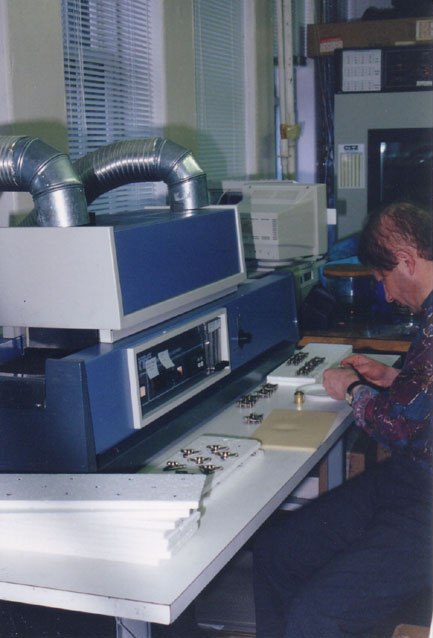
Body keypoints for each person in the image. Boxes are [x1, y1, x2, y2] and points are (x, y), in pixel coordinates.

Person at [253, 202, 433, 637]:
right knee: (277, 553)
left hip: (425, 504)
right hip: (409, 481)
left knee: (319, 616)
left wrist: (352, 389)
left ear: (407, 261)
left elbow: (400, 428)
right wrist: (393, 380)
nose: (387, 295)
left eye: (384, 279)